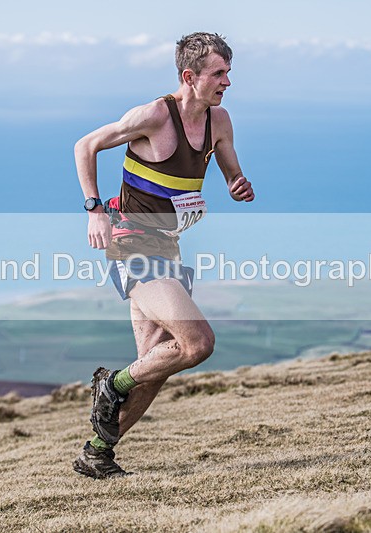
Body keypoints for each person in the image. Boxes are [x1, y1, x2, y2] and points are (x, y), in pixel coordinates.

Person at [72, 32, 255, 479]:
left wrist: (237, 184)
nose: (227, 81)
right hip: (132, 245)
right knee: (197, 343)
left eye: (229, 72)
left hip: (168, 248)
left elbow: (231, 169)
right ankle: (111, 385)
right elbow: (85, 146)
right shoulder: (155, 115)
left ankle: (96, 453)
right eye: (219, 73)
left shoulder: (220, 121)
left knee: (154, 362)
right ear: (189, 77)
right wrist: (95, 210)